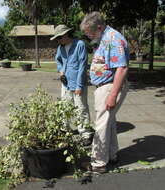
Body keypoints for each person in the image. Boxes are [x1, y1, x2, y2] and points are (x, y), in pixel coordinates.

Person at [80, 12, 129, 173]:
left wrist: (112, 95)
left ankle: (98, 162)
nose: (88, 36)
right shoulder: (104, 38)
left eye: (90, 32)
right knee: (109, 123)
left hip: (109, 86)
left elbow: (121, 68)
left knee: (101, 124)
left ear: (99, 27)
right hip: (105, 85)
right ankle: (112, 155)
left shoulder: (113, 39)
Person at [51, 24, 93, 145]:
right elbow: (58, 60)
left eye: (59, 38)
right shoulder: (61, 48)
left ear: (65, 35)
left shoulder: (79, 45)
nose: (58, 41)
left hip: (78, 83)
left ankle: (85, 134)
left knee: (81, 108)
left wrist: (79, 86)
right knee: (65, 107)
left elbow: (82, 66)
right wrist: (61, 71)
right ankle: (65, 129)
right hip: (65, 83)